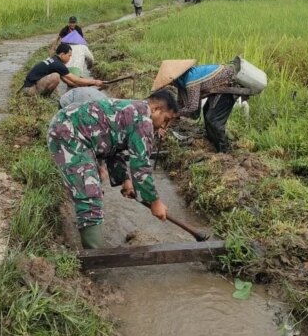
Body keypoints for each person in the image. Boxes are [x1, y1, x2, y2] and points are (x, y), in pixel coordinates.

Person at [47, 90, 179, 248]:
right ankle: (95, 258)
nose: (164, 126)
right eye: (166, 120)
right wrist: (155, 202)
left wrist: (125, 180)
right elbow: (141, 167)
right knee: (89, 194)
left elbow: (112, 146)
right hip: (69, 132)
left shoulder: (134, 110)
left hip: (72, 128)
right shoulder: (144, 121)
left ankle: (93, 247)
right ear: (156, 109)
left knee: (92, 188)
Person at [154, 60, 237, 153]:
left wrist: (175, 115)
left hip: (228, 83)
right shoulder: (182, 82)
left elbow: (193, 106)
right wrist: (165, 126)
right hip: (216, 89)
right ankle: (213, 143)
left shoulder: (191, 80)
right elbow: (178, 106)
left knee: (214, 119)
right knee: (206, 113)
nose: (170, 84)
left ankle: (224, 150)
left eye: (170, 82)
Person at [21, 43, 102, 96]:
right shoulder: (58, 64)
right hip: (29, 90)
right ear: (63, 54)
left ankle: (46, 97)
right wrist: (94, 81)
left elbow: (69, 81)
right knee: (55, 77)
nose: (70, 58)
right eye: (69, 55)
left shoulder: (54, 59)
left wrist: (87, 86)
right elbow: (76, 80)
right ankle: (44, 97)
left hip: (28, 87)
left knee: (57, 76)